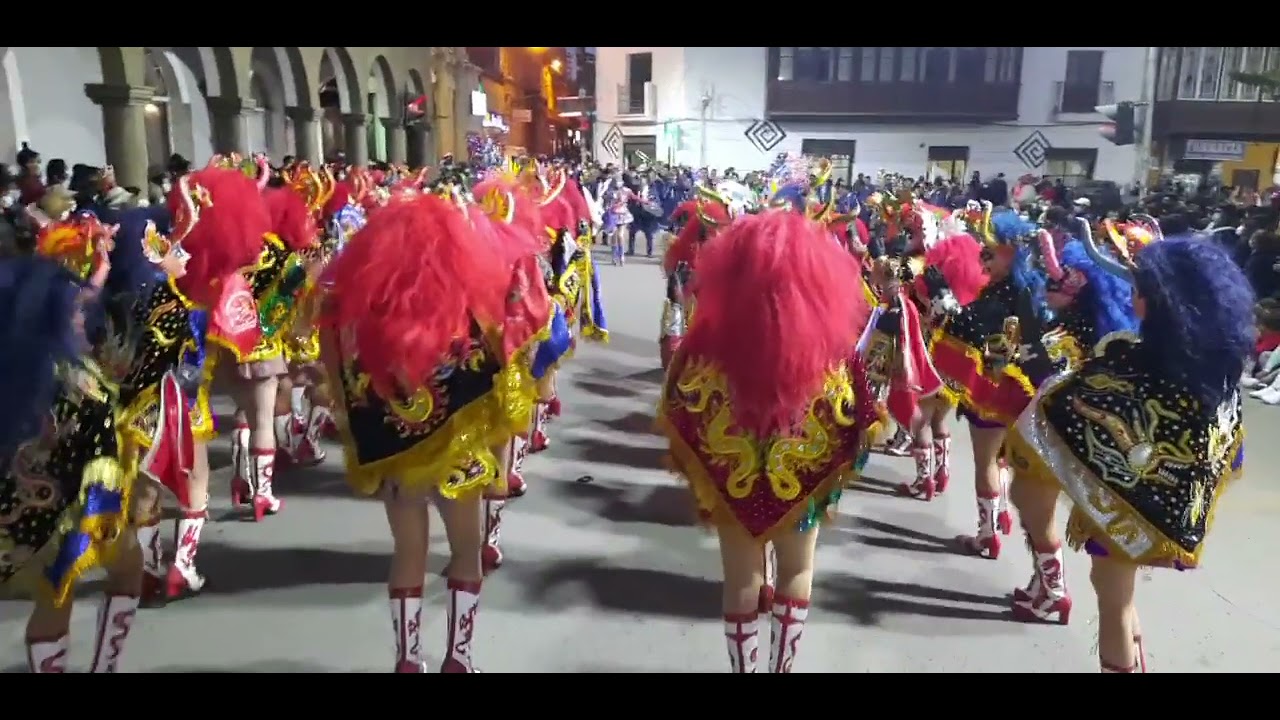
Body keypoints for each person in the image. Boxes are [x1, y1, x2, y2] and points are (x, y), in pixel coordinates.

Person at [319, 185, 551, 673]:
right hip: (458, 454)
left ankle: (407, 660)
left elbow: (339, 386)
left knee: (408, 551)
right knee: (467, 552)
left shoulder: (355, 317)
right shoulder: (461, 313)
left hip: (393, 456)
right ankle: (458, 659)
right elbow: (497, 376)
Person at [1006, 229, 1251, 673]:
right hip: (1164, 505)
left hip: (1122, 503)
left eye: (1139, 292)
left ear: (1161, 304)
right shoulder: (1212, 373)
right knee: (1123, 599)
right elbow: (1228, 448)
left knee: (1113, 603)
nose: (1132, 298)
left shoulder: (1133, 366)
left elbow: (1061, 406)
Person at [657, 205, 878, 673]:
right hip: (802, 480)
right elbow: (860, 417)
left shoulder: (706, 340)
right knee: (797, 570)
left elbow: (677, 403)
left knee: (740, 576)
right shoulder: (834, 349)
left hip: (732, 481)